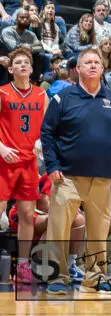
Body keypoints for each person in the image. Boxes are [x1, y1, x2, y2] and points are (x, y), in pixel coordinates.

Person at [40, 47, 111, 295]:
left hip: (102, 178)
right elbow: (46, 133)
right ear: (78, 68)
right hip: (67, 176)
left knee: (99, 231)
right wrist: (52, 165)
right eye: (87, 62)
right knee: (58, 229)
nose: (92, 65)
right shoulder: (63, 98)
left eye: (96, 62)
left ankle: (95, 276)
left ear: (102, 69)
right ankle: (57, 277)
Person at [0, 47, 48, 284]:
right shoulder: (2, 92)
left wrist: (42, 141)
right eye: (17, 63)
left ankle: (23, 266)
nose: (22, 65)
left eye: (25, 63)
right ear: (10, 70)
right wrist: (0, 147)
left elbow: (47, 128)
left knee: (28, 215)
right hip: (4, 161)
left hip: (29, 162)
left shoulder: (41, 95)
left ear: (30, 69)